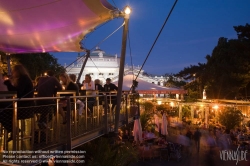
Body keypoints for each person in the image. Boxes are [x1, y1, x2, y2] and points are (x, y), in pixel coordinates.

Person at [3, 64, 34, 141]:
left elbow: (18, 92)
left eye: (13, 71)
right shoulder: (24, 79)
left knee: (2, 109)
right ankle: (13, 129)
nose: (12, 73)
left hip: (23, 107)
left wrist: (8, 84)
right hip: (24, 105)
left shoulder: (23, 79)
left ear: (17, 71)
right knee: (3, 108)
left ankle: (13, 129)